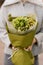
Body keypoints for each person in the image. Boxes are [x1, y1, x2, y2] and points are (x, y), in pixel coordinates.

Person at [0, 0, 43, 65]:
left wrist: (33, 40)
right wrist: (12, 43)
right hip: (11, 54)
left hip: (31, 54)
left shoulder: (40, 6)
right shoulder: (6, 5)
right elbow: (1, 29)